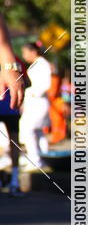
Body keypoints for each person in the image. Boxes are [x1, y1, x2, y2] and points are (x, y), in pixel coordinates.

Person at [0, 15, 26, 194]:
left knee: (14, 141)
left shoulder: (12, 62)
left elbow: (25, 81)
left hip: (10, 106)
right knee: (13, 141)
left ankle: (15, 178)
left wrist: (9, 67)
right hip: (11, 107)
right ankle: (13, 178)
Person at [20, 41, 52, 170]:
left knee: (30, 130)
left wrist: (32, 92)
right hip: (34, 101)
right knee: (37, 131)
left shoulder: (42, 64)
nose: (24, 55)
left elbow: (45, 85)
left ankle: (36, 160)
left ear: (33, 51)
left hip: (38, 101)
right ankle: (42, 158)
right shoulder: (37, 64)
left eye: (25, 52)